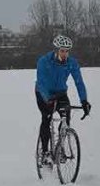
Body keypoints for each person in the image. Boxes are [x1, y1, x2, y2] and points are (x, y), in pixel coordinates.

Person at [35, 35, 91, 164]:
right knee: (47, 117)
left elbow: (79, 82)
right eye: (62, 51)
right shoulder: (44, 61)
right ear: (56, 50)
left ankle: (59, 147)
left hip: (60, 93)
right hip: (43, 93)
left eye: (67, 51)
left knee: (66, 116)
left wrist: (84, 101)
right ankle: (44, 152)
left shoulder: (71, 63)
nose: (65, 54)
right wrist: (47, 98)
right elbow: (41, 82)